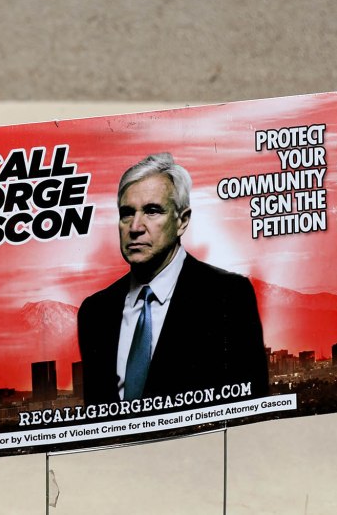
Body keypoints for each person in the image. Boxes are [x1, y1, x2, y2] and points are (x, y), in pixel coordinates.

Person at [77, 153, 269, 407]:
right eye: (126, 213)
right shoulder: (95, 313)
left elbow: (251, 406)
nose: (135, 227)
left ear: (182, 221)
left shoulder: (228, 296)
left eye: (152, 211)